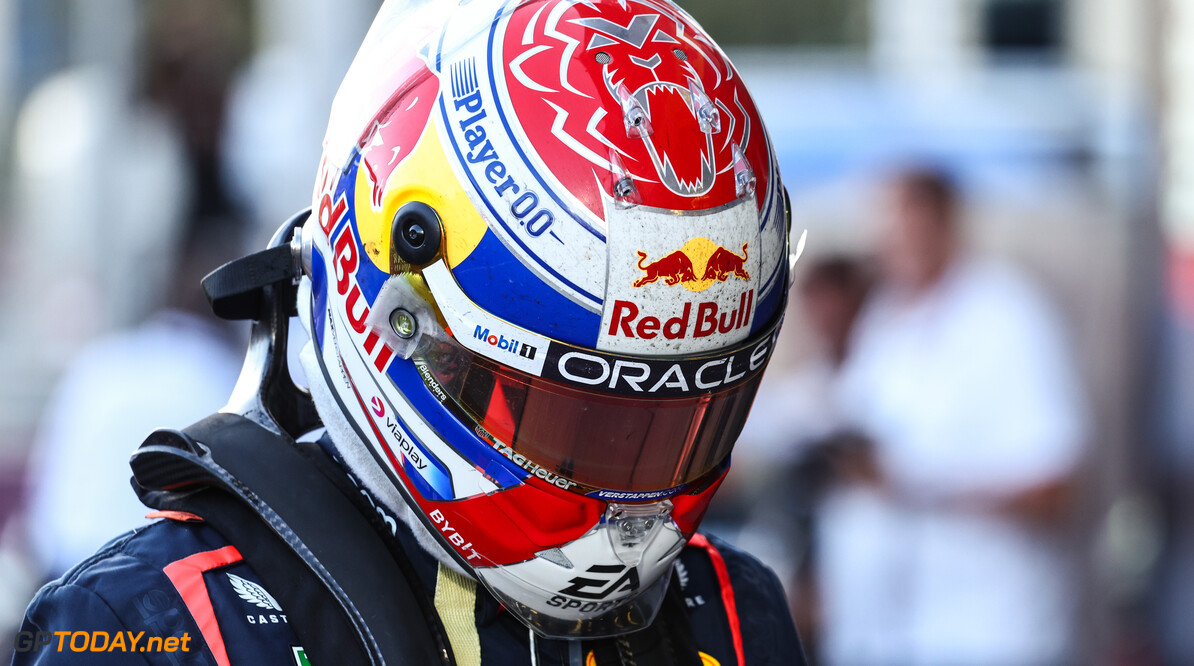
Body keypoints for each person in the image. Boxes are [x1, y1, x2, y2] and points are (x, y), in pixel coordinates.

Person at [13, 1, 805, 664]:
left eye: (673, 431)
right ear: (393, 317)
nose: (630, 500)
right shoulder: (154, 626)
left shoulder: (732, 614)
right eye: (571, 423)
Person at [818, 168, 1088, 665]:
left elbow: (1055, 487)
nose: (889, 240)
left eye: (903, 221)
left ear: (942, 222)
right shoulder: (888, 316)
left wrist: (919, 483)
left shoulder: (1007, 314)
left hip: (989, 632)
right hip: (886, 635)